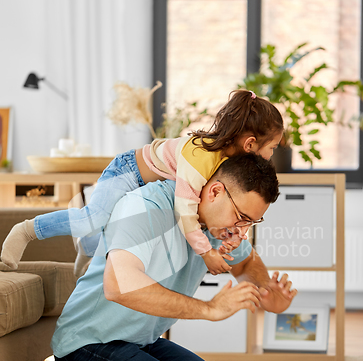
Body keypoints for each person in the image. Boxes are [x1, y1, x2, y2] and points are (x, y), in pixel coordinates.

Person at [37, 153, 297, 361]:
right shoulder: (145, 207)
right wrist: (209, 309)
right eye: (241, 217)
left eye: (251, 223)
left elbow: (245, 262)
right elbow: (119, 286)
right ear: (216, 191)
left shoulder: (219, 227)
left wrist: (265, 289)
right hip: (88, 344)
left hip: (140, 341)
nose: (241, 231)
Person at [1, 90, 283, 276]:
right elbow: (186, 211)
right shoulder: (201, 157)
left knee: (103, 230)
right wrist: (206, 252)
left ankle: (86, 250)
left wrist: (234, 235)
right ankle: (27, 230)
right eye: (272, 148)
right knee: (94, 217)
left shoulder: (227, 164)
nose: (272, 156)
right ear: (250, 143)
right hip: (127, 171)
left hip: (145, 184)